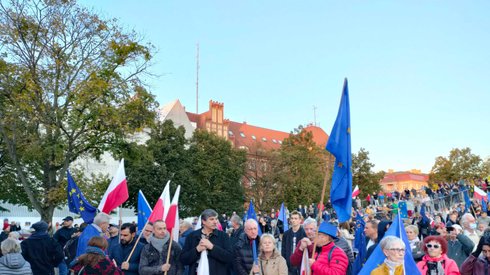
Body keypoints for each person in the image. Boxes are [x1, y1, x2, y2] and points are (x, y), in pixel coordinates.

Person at [180, 209, 233, 275]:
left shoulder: (223, 236)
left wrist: (212, 247)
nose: (215, 222)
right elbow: (184, 259)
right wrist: (197, 249)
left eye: (216, 219)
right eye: (211, 219)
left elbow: (229, 258)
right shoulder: (192, 236)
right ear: (203, 221)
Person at [281, 210, 306, 275]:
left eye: (295, 218)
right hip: (289, 265)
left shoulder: (304, 234)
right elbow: (283, 250)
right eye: (292, 218)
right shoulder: (286, 234)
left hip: (301, 265)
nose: (293, 220)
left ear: (300, 220)